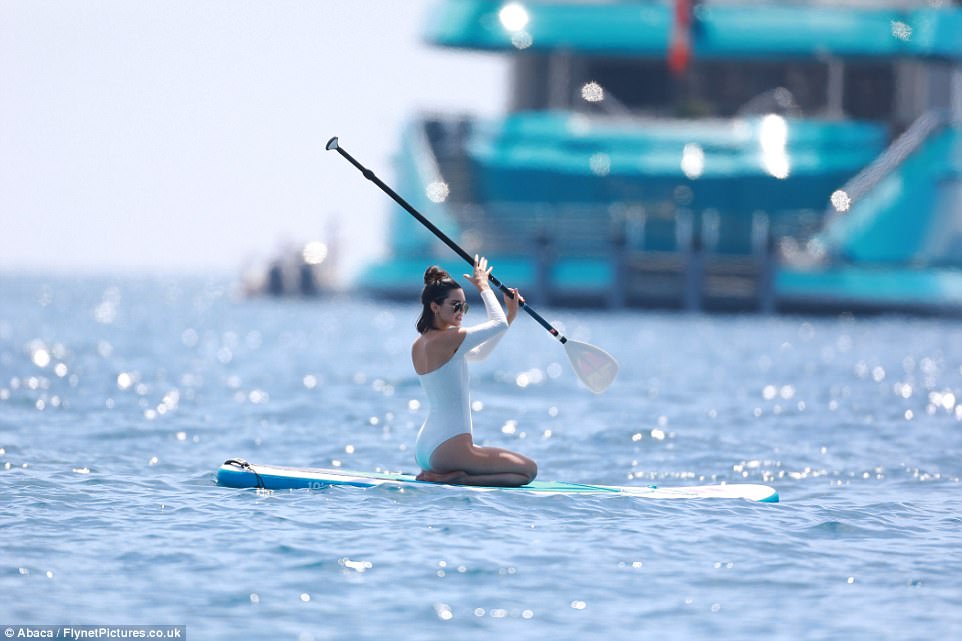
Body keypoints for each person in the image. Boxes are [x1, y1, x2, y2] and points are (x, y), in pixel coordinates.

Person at [411, 255, 538, 487]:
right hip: (447, 447)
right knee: (528, 471)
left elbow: (480, 353)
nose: (461, 311)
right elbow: (496, 324)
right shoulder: (449, 338)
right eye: (455, 305)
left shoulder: (422, 343)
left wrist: (509, 315)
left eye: (464, 306)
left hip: (426, 447)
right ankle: (459, 477)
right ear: (434, 307)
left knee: (521, 471)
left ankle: (443, 473)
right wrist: (483, 287)